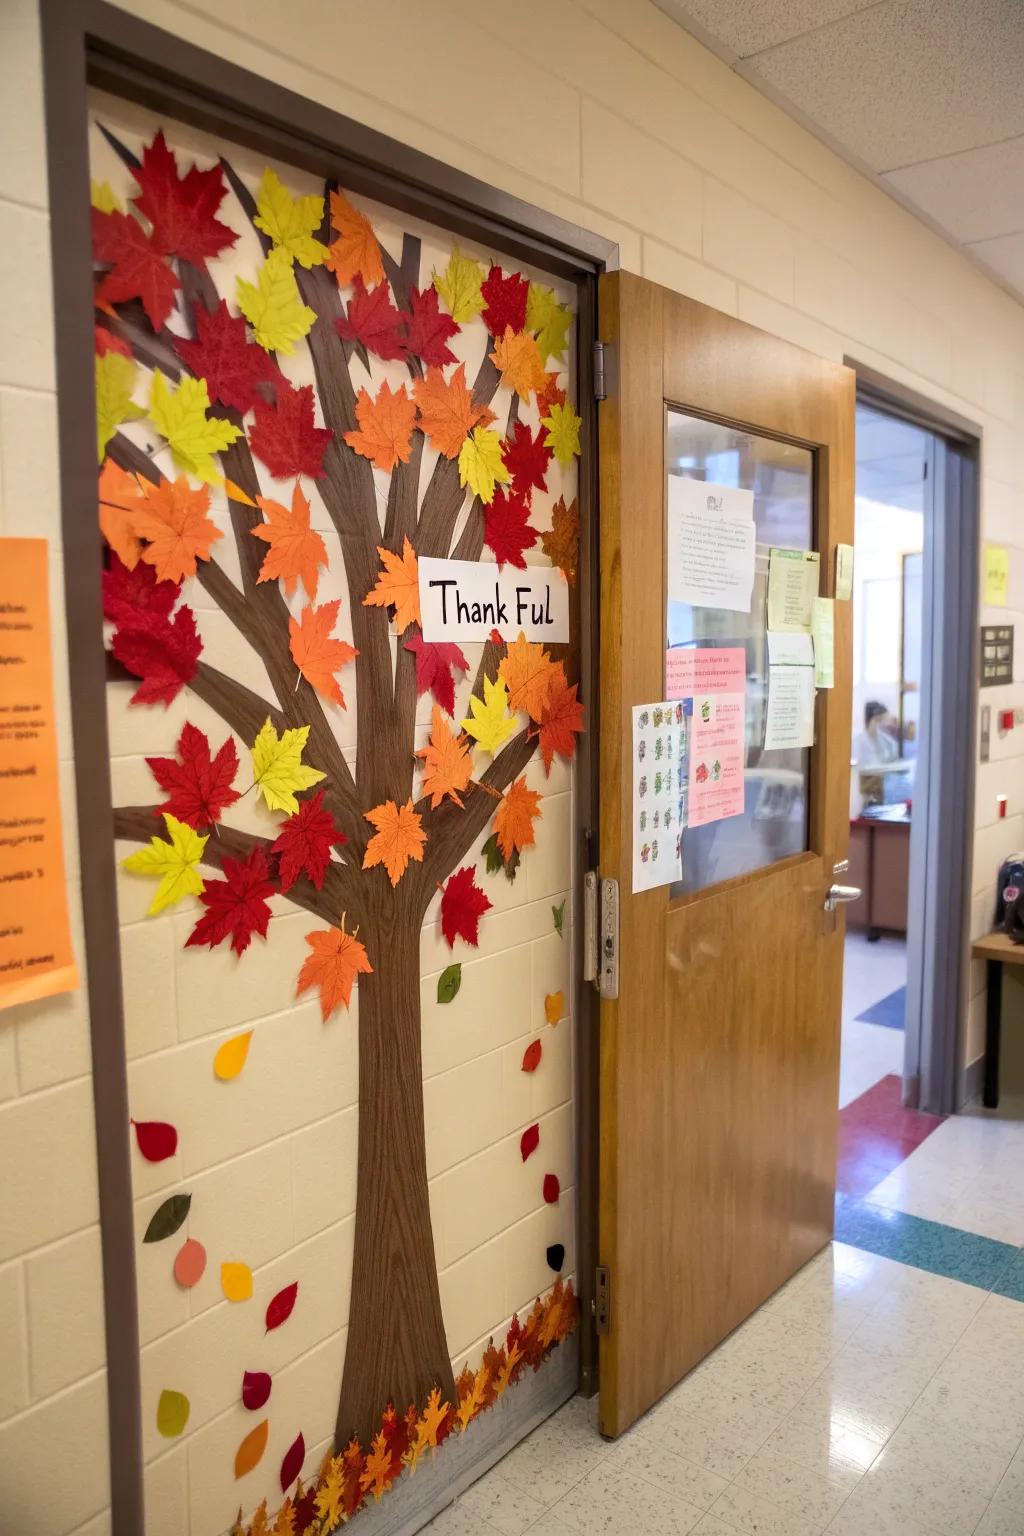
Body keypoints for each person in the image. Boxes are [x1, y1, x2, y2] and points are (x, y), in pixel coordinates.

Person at [853, 700, 899, 766]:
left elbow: (893, 762)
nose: (882, 724)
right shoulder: (857, 741)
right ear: (868, 720)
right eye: (878, 720)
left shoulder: (887, 741)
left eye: (885, 720)